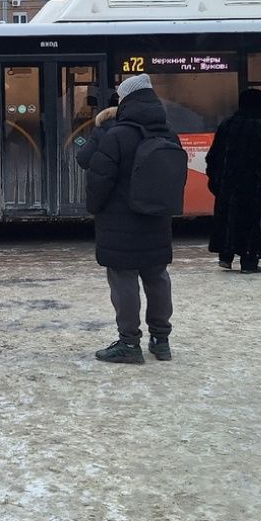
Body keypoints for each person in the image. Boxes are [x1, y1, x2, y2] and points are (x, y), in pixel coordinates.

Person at [76, 73, 178, 364]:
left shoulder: (117, 134)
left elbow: (99, 179)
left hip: (120, 222)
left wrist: (96, 209)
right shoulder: (167, 133)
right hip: (157, 219)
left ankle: (129, 344)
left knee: (124, 280)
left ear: (127, 100)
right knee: (157, 277)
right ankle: (161, 341)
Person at [206, 88, 261, 273]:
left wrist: (216, 181)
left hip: (228, 188)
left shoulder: (226, 124)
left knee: (227, 220)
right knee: (250, 225)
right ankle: (249, 261)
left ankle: (226, 256)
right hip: (254, 190)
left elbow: (213, 156)